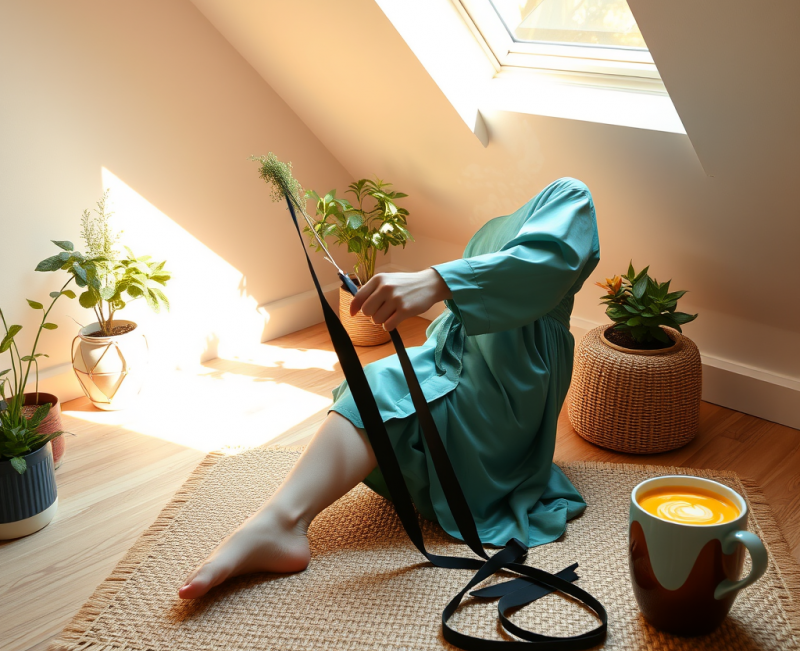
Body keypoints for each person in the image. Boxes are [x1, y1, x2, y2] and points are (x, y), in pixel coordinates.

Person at [179, 177, 600, 600]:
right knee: (372, 387)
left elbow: (544, 263)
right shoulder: (502, 221)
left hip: (509, 381)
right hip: (456, 353)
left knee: (385, 389)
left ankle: (279, 524)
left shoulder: (570, 196)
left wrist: (434, 282)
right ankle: (277, 521)